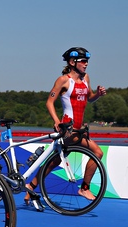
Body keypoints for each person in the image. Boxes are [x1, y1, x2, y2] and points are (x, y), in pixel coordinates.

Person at [24, 47, 107, 207]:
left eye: (87, 61)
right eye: (83, 61)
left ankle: (31, 187)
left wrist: (97, 95)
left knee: (54, 161)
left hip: (79, 130)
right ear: (72, 62)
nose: (86, 64)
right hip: (68, 129)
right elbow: (49, 102)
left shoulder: (86, 78)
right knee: (96, 152)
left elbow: (89, 98)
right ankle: (84, 188)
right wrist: (56, 121)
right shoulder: (63, 80)